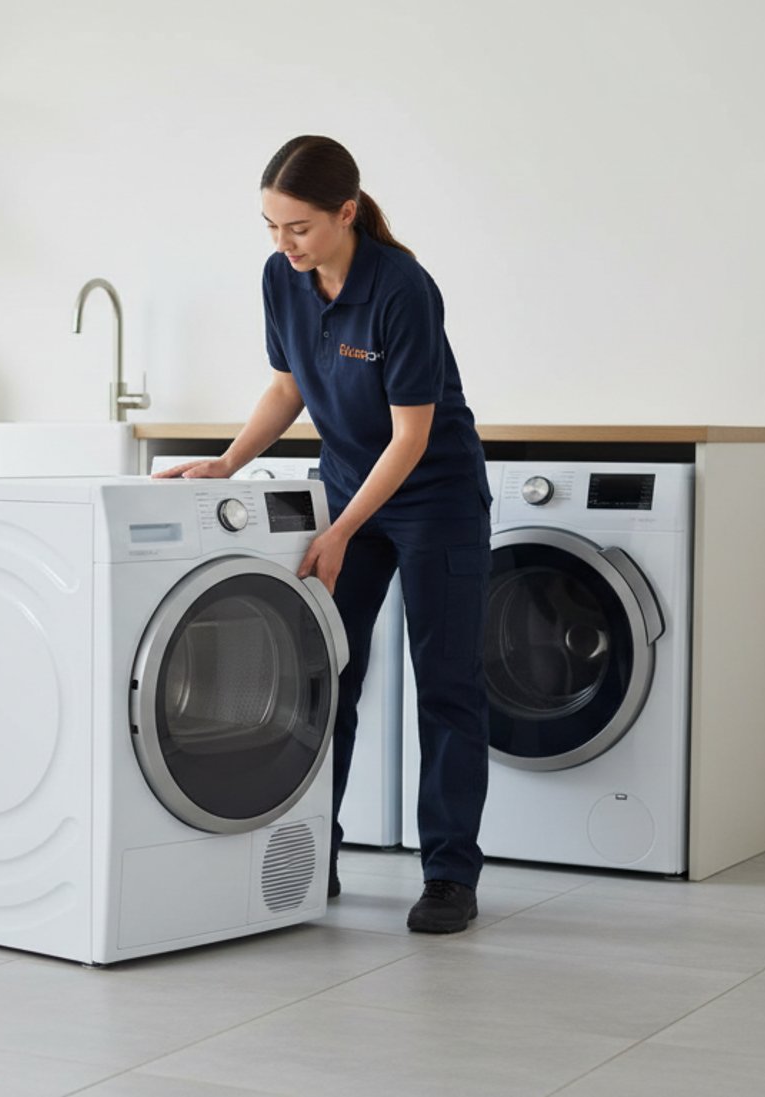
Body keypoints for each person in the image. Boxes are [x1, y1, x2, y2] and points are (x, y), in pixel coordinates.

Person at [156, 136, 491, 934]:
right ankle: (315, 853)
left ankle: (449, 875)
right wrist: (230, 461)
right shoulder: (284, 277)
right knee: (325, 678)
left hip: (432, 498)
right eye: (271, 226)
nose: (283, 243)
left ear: (346, 212)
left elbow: (411, 438)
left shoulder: (403, 289)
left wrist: (341, 530)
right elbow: (286, 385)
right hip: (348, 492)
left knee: (447, 688)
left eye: (298, 227)